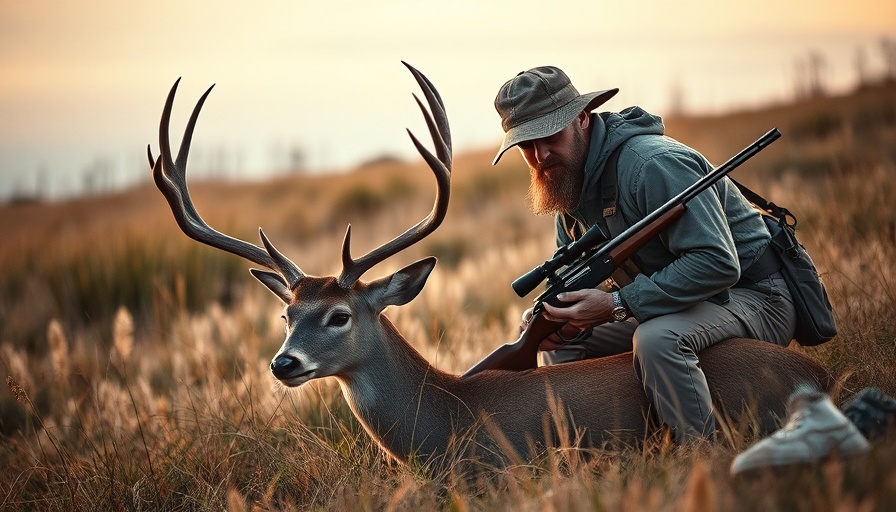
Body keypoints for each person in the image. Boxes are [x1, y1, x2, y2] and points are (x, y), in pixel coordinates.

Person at [493, 66, 797, 443]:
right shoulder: (566, 185)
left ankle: (701, 455)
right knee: (565, 338)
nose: (540, 155)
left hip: (756, 295)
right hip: (688, 301)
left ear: (582, 118)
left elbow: (718, 261)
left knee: (656, 339)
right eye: (526, 145)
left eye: (550, 135)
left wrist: (617, 304)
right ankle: (586, 451)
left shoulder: (651, 165)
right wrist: (551, 314)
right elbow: (575, 277)